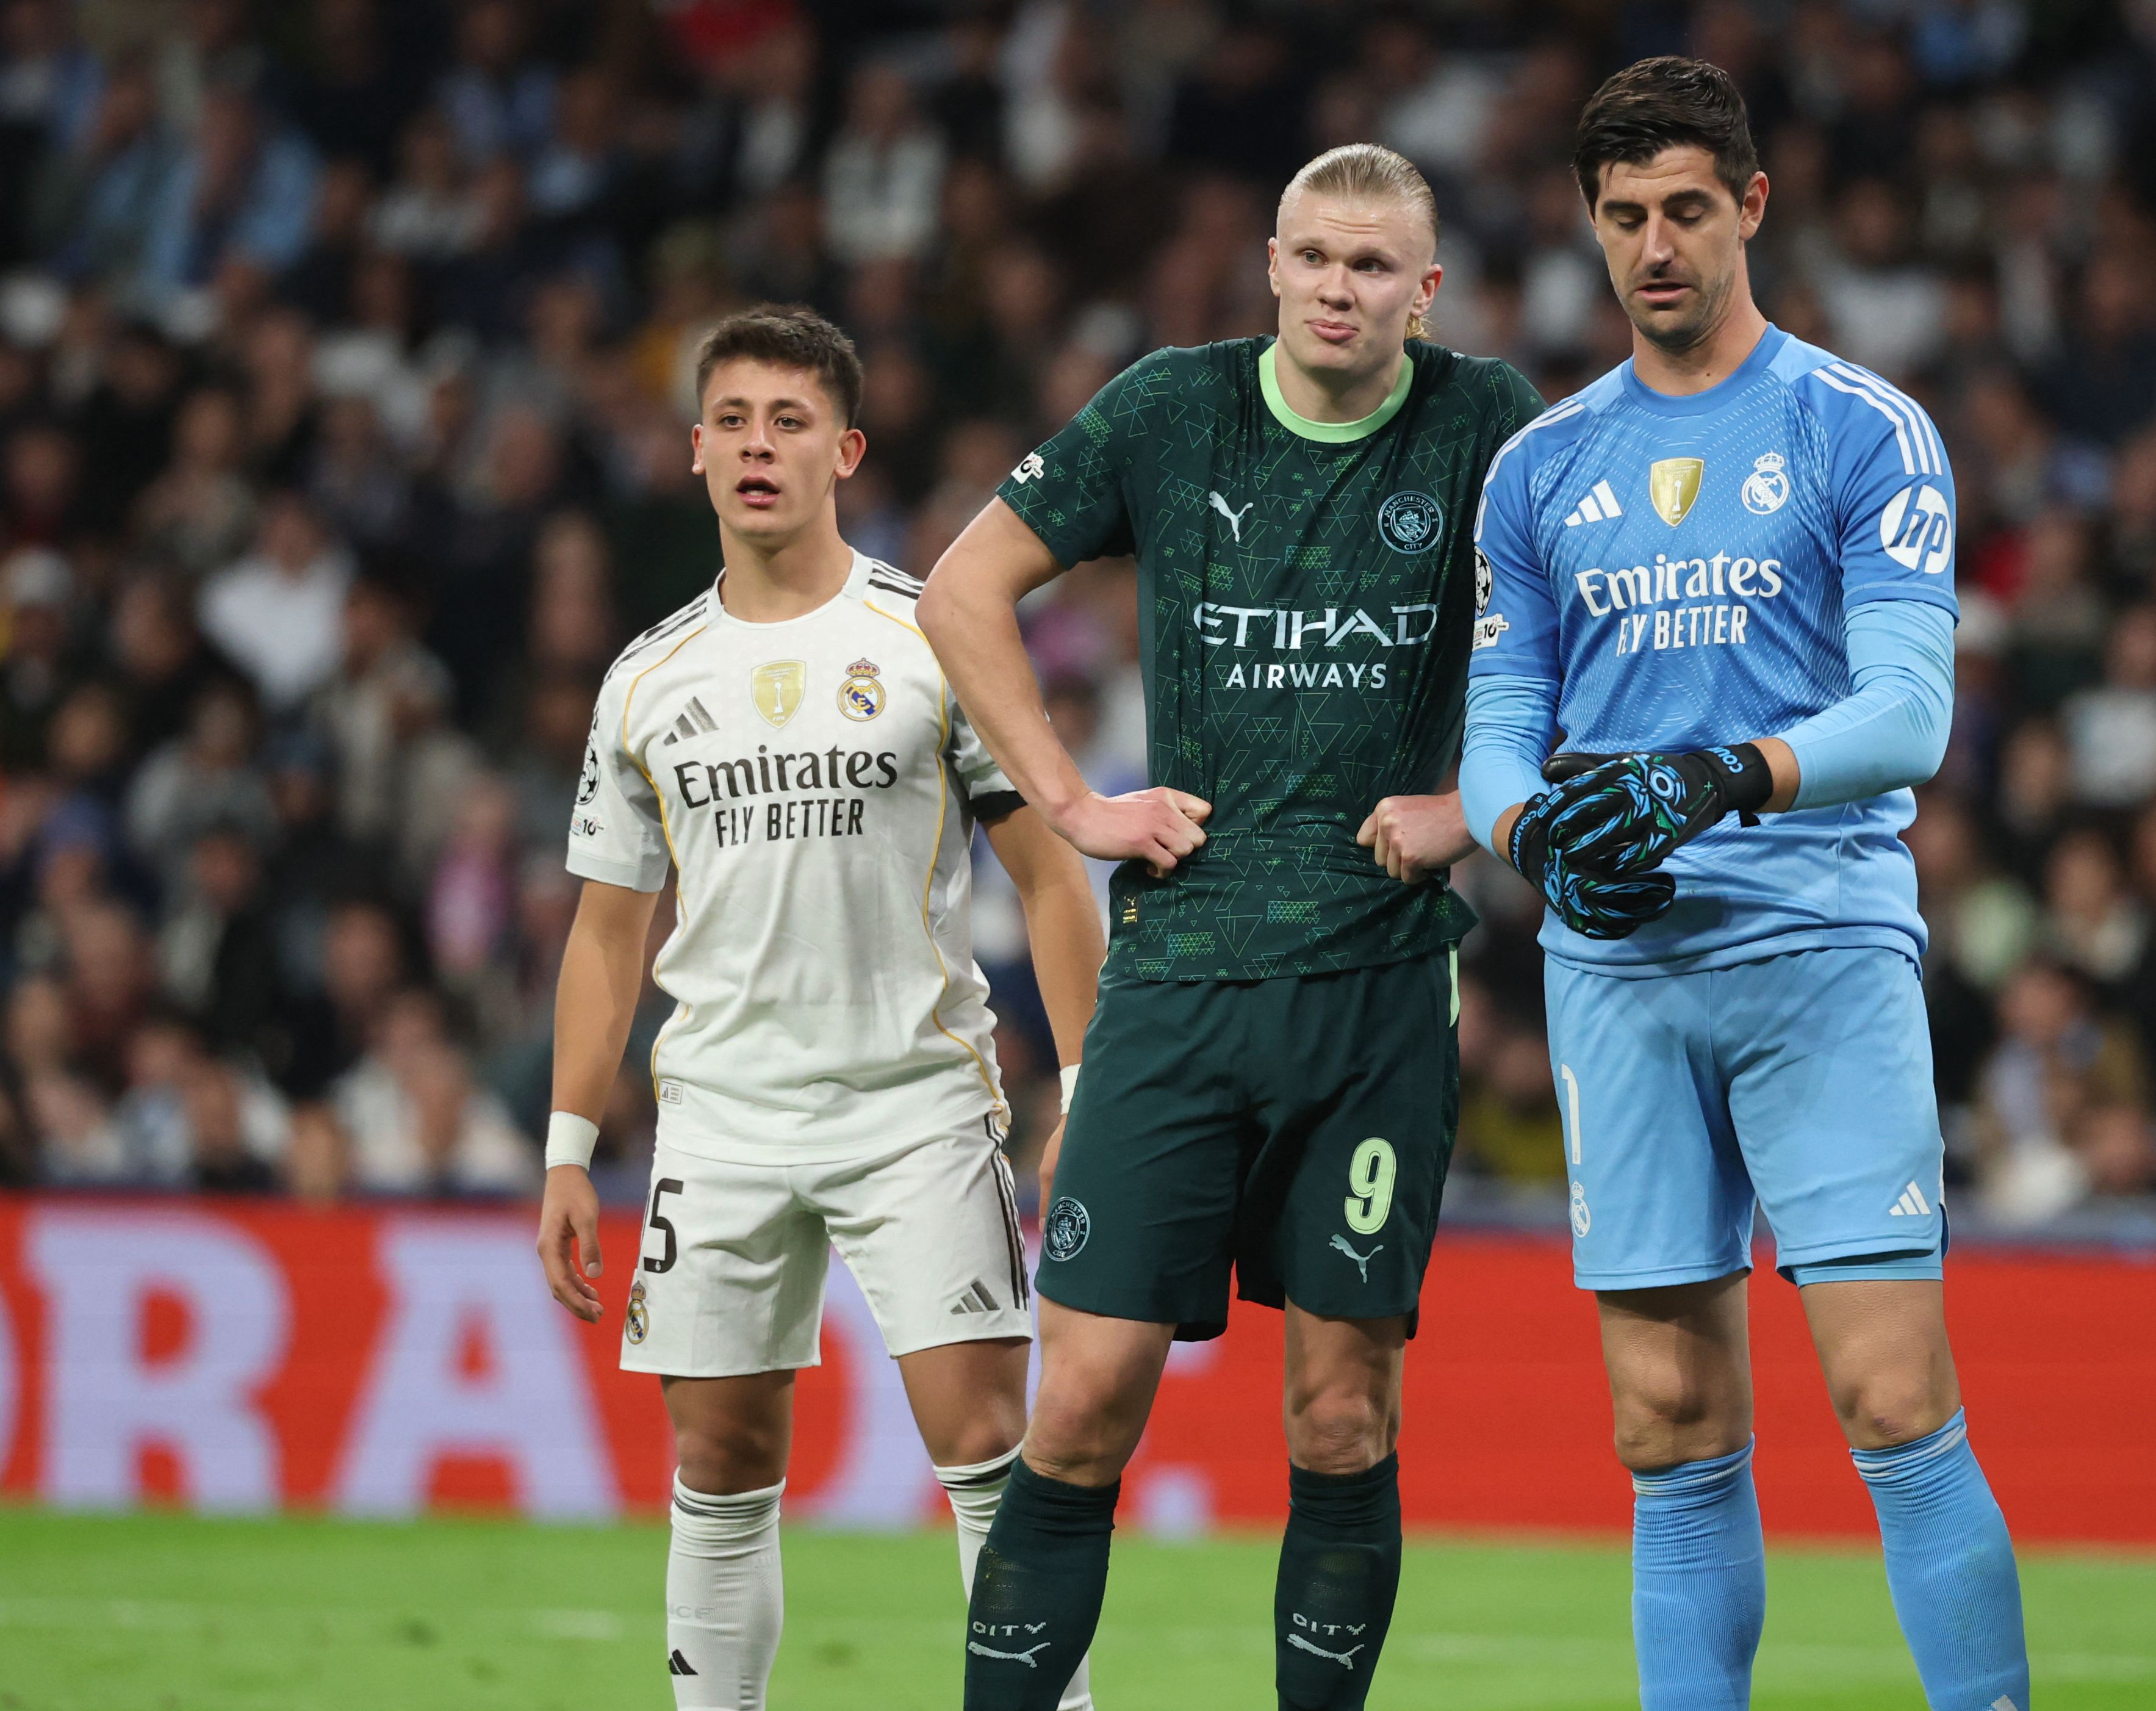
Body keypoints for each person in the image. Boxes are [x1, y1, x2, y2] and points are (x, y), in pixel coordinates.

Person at [914, 144, 1545, 1711]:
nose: (1341, 287)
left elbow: (1608, 625)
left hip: (1377, 994)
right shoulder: (1169, 409)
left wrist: (1474, 803)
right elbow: (958, 589)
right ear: (1271, 264)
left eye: (1374, 265)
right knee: (1080, 1409)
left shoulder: (1492, 426)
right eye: (1316, 258)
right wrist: (1071, 800)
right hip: (1178, 986)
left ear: (1426, 290)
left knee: (1342, 1418)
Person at [1460, 59, 2032, 1711]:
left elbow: (1908, 709)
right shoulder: (1539, 470)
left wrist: (1726, 773)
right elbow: (1500, 733)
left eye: (1687, 210)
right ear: (1588, 223)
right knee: (1667, 1425)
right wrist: (1528, 835)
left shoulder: (1859, 427)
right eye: (1624, 215)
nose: (1655, 245)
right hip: (1618, 972)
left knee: (1889, 1396)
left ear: (1751, 208)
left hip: (1818, 947)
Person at [532, 306, 1107, 1711]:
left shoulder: (934, 638)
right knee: (719, 1468)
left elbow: (1050, 877)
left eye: (788, 422)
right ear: (694, 453)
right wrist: (565, 1143)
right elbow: (610, 933)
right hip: (718, 1116)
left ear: (844, 449)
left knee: (985, 1447)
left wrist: (1084, 1089)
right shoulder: (648, 679)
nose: (757, 447)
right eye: (731, 420)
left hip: (912, 1103)